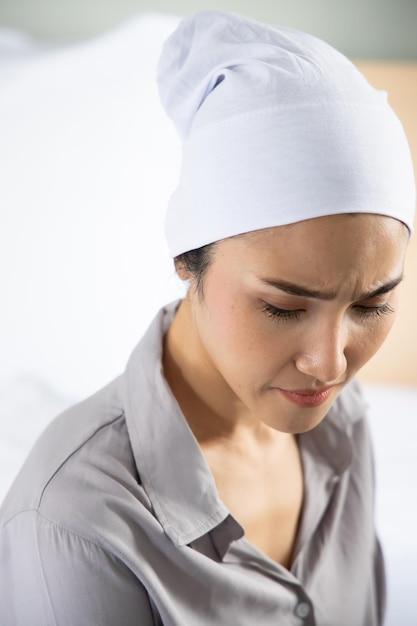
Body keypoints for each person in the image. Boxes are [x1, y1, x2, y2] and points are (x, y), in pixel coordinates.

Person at [0, 10, 415, 626]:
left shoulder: (342, 427)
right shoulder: (75, 523)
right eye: (283, 306)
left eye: (372, 304)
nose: (331, 364)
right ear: (187, 260)